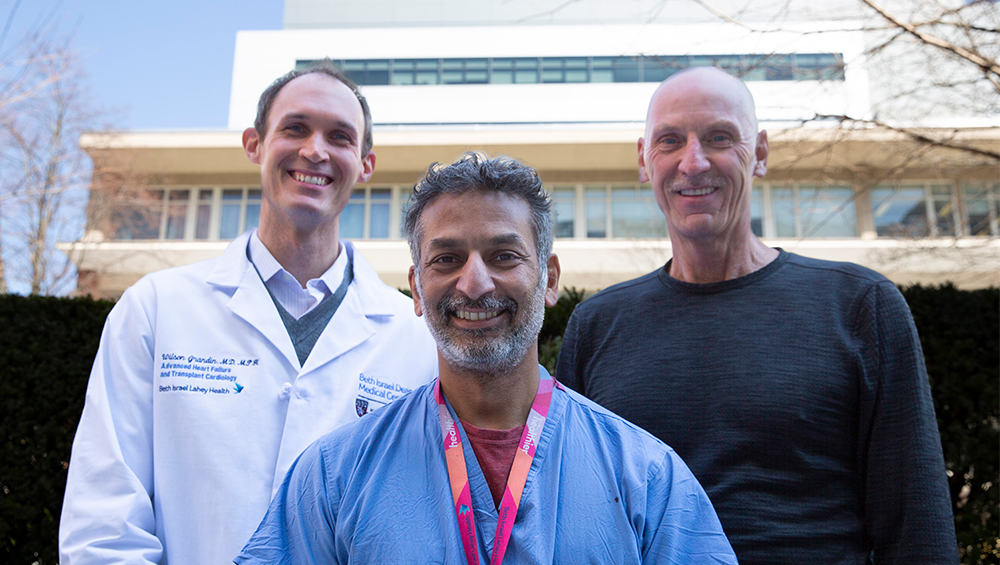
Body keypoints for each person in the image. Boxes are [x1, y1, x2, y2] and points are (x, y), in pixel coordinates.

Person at [235, 152, 738, 565]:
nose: (474, 283)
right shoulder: (333, 476)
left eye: (504, 256)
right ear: (416, 287)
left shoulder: (647, 477)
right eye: (446, 259)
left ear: (549, 278)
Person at [556, 66, 957, 564]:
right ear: (644, 160)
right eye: (670, 141)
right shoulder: (597, 326)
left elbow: (916, 528)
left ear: (760, 154)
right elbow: (570, 519)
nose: (693, 162)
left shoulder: (860, 306)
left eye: (719, 138)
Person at [59, 63, 438, 565]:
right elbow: (104, 526)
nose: (315, 150)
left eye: (340, 137)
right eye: (295, 128)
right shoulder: (155, 310)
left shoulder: (417, 339)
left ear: (365, 164)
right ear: (254, 144)